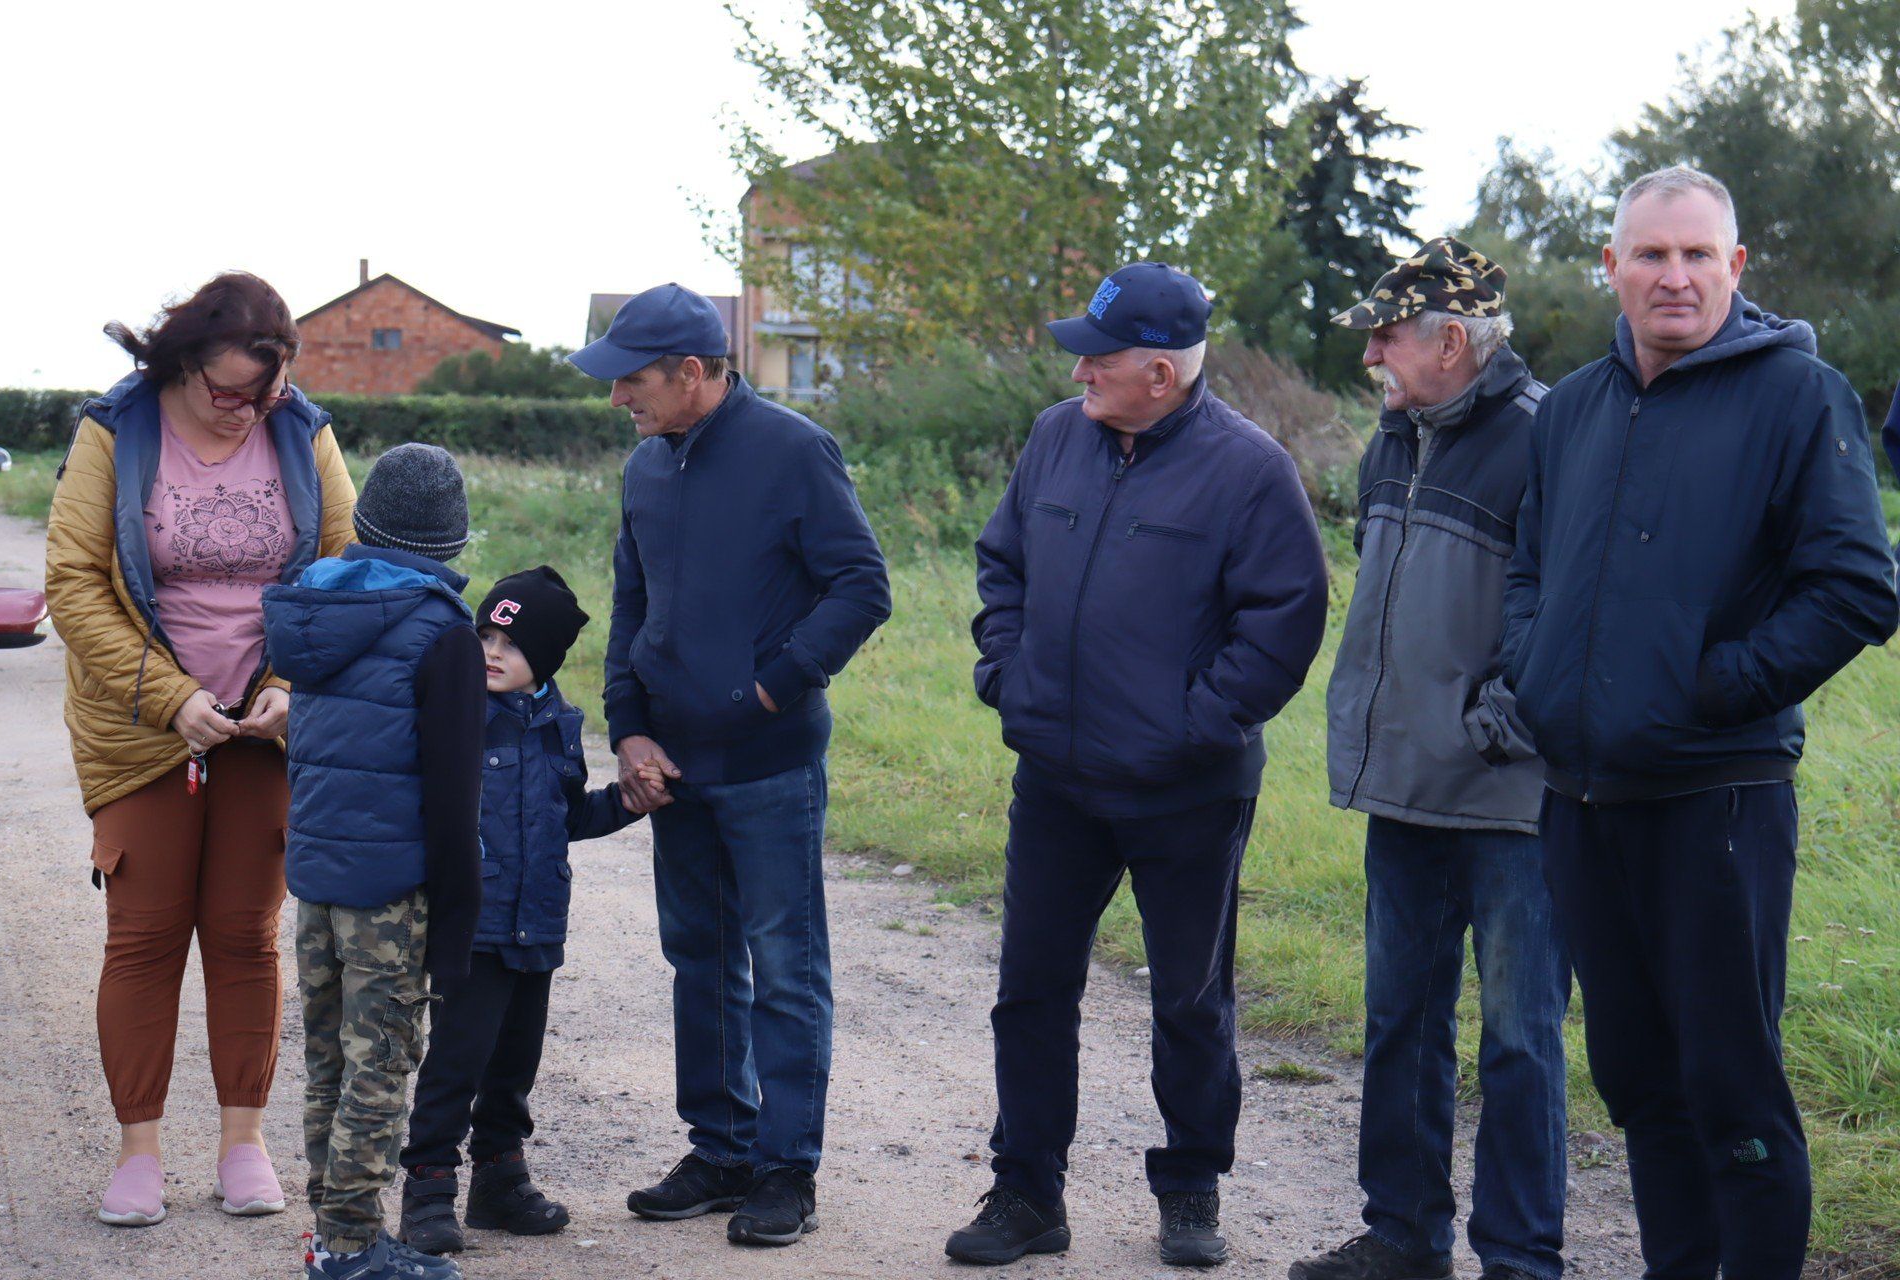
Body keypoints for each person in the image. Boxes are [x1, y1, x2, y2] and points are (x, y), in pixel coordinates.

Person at [1504, 166, 1898, 1280]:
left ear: (1735, 267)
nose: (1671, 275)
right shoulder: (1575, 407)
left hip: (1715, 796)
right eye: (1649, 254)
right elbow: (1530, 569)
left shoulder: (1796, 394)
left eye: (1695, 255)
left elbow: (1858, 587)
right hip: (1580, 797)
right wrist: (1534, 668)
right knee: (1638, 1080)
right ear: (1611, 270)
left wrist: (1706, 687)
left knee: (1731, 1085)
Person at [947, 262, 1328, 1268]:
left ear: (1159, 372)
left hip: (1185, 789)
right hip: (1059, 778)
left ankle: (1191, 1187)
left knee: (1188, 998)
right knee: (1030, 987)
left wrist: (1191, 726)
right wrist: (1008, 671)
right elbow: (1004, 563)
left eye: (1098, 355)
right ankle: (1027, 1193)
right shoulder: (1054, 438)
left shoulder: (1251, 471)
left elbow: (1284, 623)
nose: (1079, 370)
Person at [569, 284, 891, 1247]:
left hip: (768, 763)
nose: (619, 397)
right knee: (699, 960)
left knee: (785, 970)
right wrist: (627, 726)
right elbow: (632, 604)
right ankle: (721, 1149)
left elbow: (861, 586)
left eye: (633, 380)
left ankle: (787, 1170)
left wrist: (769, 691)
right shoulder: (646, 466)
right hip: (672, 766)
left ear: (695, 373)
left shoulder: (793, 451)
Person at [44, 271, 354, 1228]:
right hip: (142, 728)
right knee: (142, 937)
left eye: (264, 395)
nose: (248, 412)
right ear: (181, 365)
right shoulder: (115, 431)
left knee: (245, 936)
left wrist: (290, 688)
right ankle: (139, 1154)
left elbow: (343, 575)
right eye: (228, 394)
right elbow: (72, 579)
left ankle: (242, 1143)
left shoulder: (304, 431)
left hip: (265, 731)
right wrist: (170, 695)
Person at [1298, 238, 1569, 1280]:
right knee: (1400, 1021)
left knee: (1519, 1039)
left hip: (1510, 799)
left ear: (1450, 339)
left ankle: (1521, 1258)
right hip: (1404, 787)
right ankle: (1404, 1235)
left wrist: (1493, 722)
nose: (1372, 354)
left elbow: (1565, 609)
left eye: (1386, 334)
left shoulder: (1547, 438)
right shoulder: (1394, 439)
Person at [262, 443, 488, 1280]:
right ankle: (353, 1246)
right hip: (392, 892)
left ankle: (332, 1231)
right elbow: (455, 797)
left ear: (363, 525)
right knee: (381, 1064)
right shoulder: (442, 635)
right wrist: (458, 923)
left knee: (329, 1061)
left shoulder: (312, 610)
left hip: (317, 879)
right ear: (453, 545)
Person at [397, 566, 648, 1255]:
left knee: (514, 1064)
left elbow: (568, 817)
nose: (491, 650)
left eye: (511, 640)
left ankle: (500, 1182)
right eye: (483, 634)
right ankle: (426, 1190)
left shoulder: (559, 724)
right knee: (457, 1060)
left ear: (546, 657)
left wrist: (627, 804)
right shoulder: (458, 717)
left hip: (536, 921)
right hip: (475, 923)